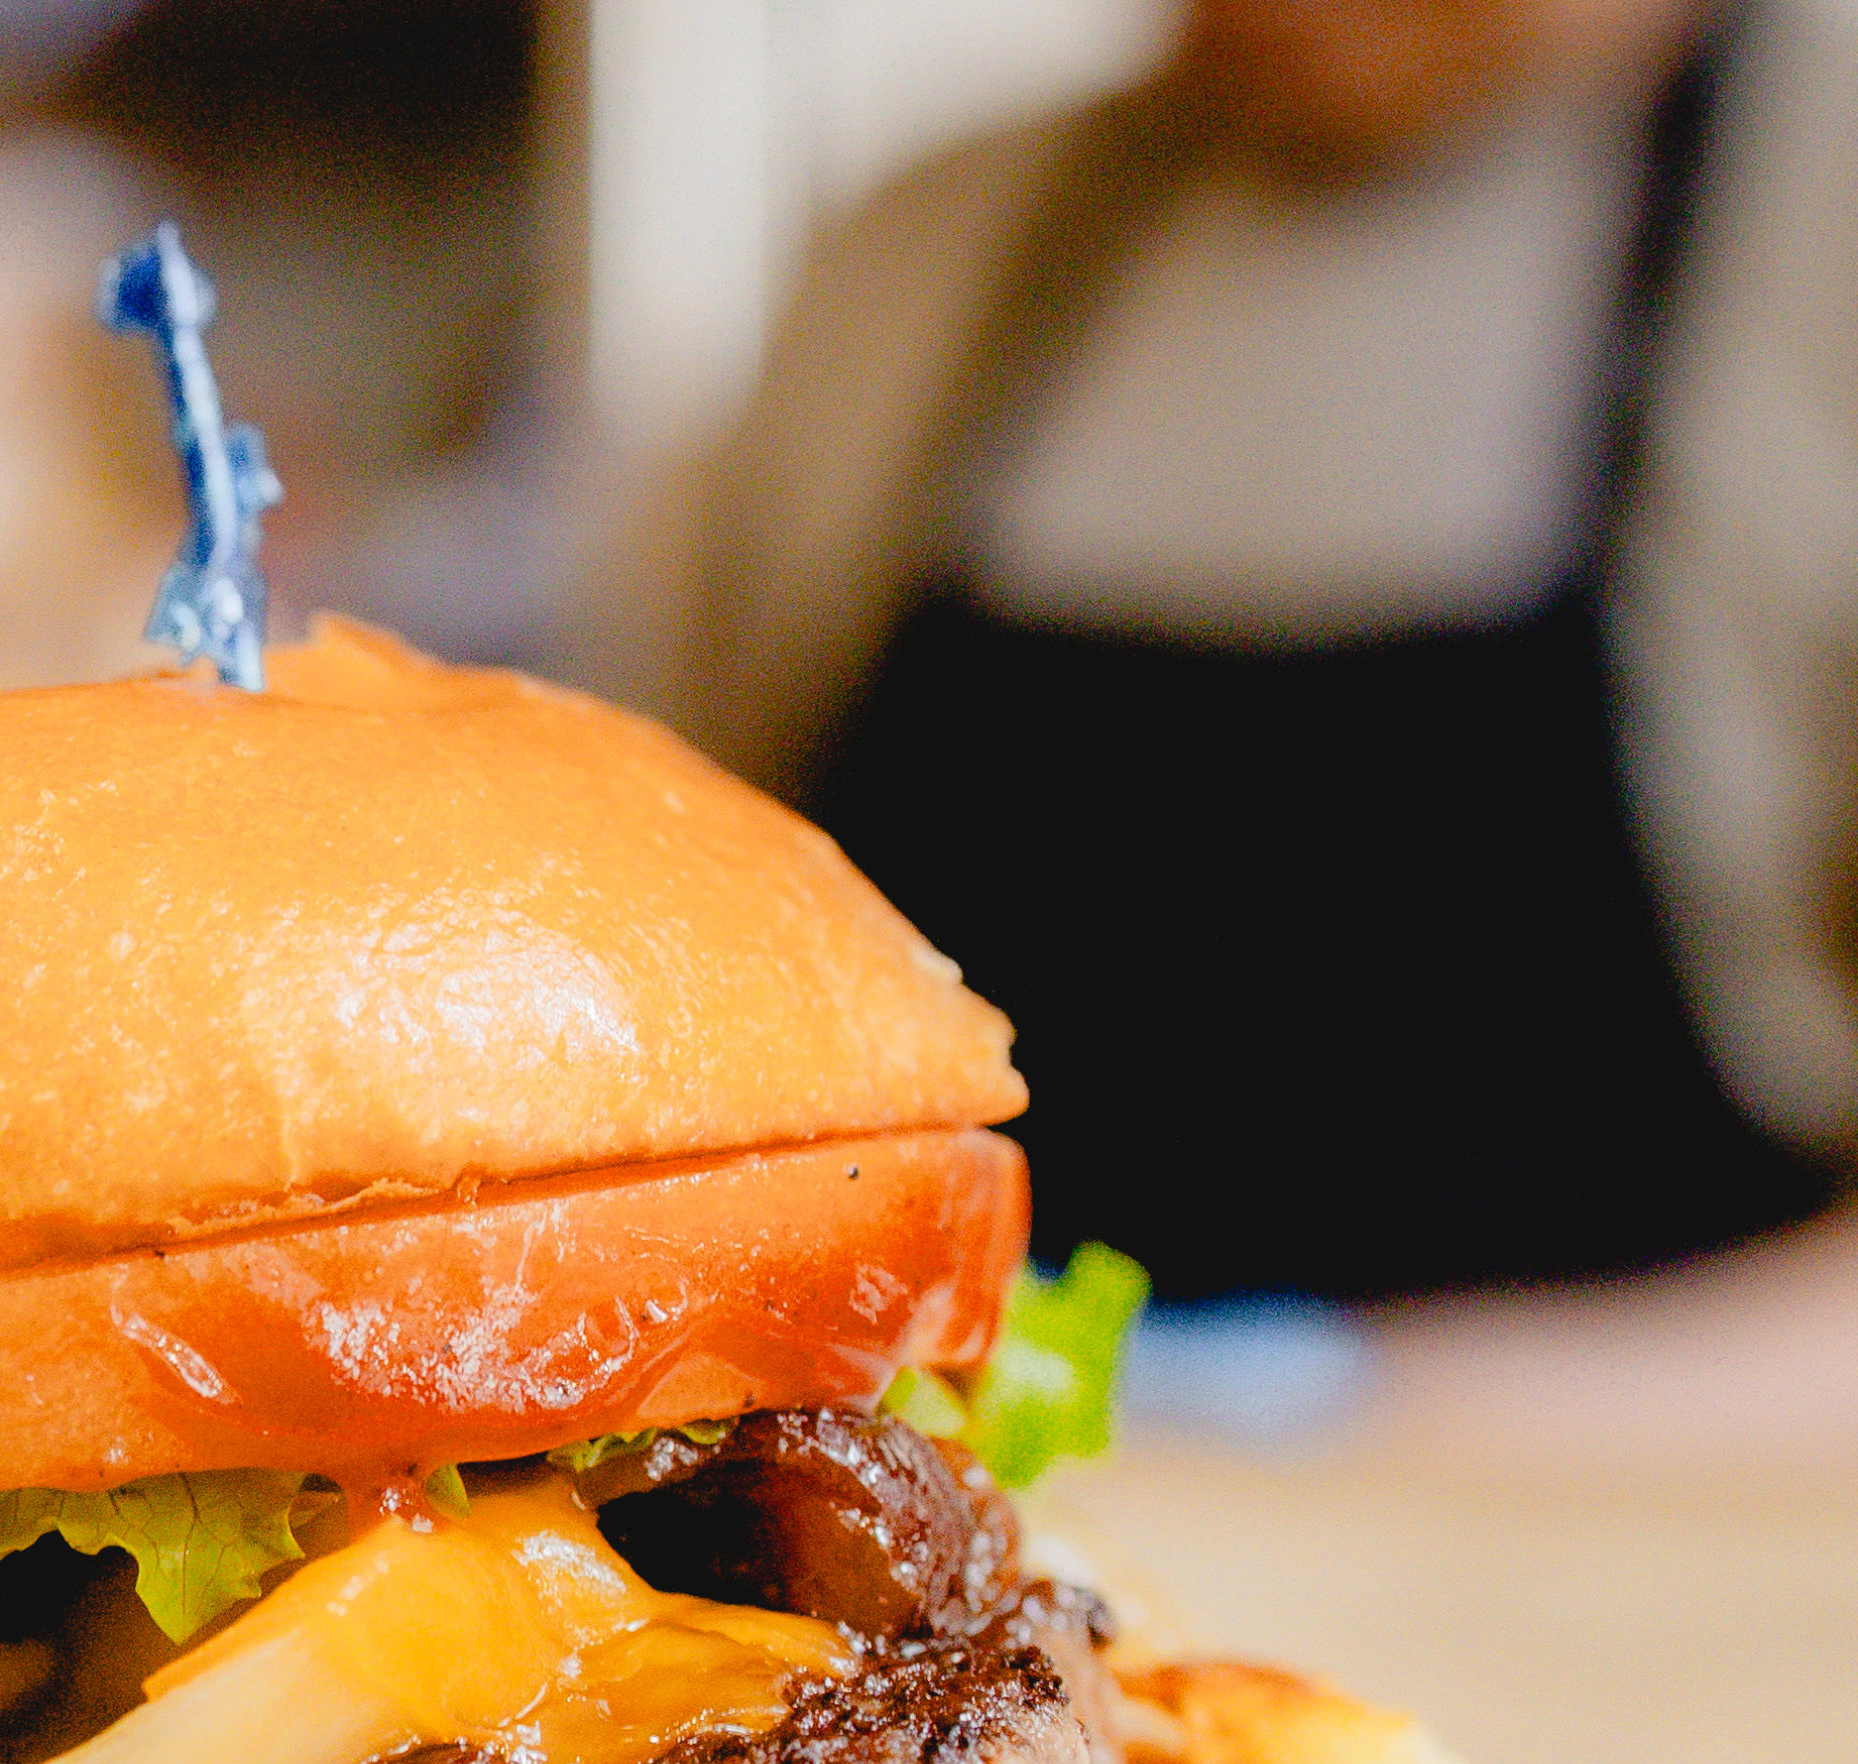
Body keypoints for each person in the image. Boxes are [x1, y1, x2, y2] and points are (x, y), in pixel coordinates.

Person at [619, 0, 1858, 1358]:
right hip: (940, 1536)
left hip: (1643, 1551)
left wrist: (1322, 1405)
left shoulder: (1815, 220)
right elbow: (678, 1029)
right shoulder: (916, 255)